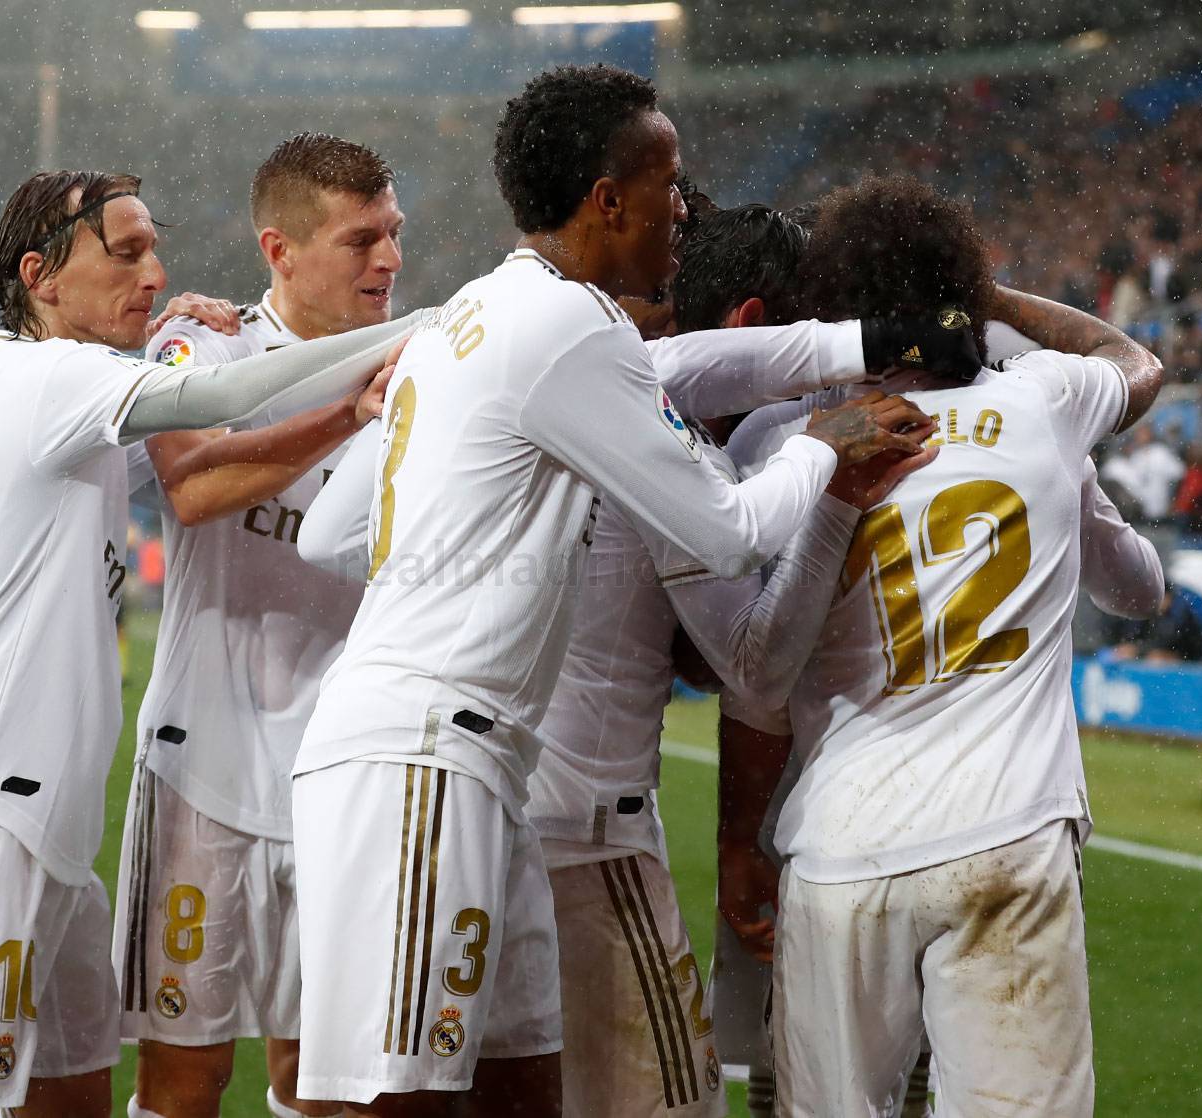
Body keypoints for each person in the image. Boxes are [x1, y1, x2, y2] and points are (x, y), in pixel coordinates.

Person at [287, 67, 961, 1118]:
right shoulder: (570, 329)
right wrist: (826, 444)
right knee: (395, 1101)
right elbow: (729, 533)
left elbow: (332, 534)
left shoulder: (472, 316)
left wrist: (871, 344)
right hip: (425, 757)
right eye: (668, 183)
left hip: (466, 762)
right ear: (608, 201)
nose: (681, 208)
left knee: (522, 1087)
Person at [0, 169, 427, 1118]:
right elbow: (229, 392)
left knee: (75, 1098)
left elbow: (202, 463)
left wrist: (192, 342)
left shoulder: (68, 408)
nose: (156, 274)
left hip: (48, 836)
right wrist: (426, 336)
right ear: (41, 276)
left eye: (154, 252)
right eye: (126, 254)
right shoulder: (47, 379)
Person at [715, 175, 1163, 1117]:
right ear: (965, 288)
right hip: (1010, 830)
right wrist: (992, 298)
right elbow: (1133, 361)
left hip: (841, 848)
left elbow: (757, 677)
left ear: (836, 308)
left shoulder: (791, 442)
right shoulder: (1045, 401)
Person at [526, 202, 933, 1118]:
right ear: (755, 328)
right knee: (688, 1100)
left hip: (476, 790)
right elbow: (748, 665)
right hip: (590, 827)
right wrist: (832, 481)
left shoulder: (527, 386)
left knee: (503, 1088)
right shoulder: (674, 437)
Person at [112, 133, 404, 1118]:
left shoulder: (420, 368)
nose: (389, 258)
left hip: (344, 774)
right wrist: (349, 415)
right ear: (280, 250)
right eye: (361, 239)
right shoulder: (206, 348)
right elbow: (193, 488)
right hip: (205, 770)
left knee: (324, 1082)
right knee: (183, 1079)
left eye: (393, 232)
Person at [1107, 581, 1202, 663]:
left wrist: (1139, 650)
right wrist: (1131, 647)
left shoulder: (1180, 615)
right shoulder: (1149, 614)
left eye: (1159, 598)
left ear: (1169, 598)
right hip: (1161, 656)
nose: (1155, 601)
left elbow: (1168, 642)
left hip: (1188, 660)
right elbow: (1136, 635)